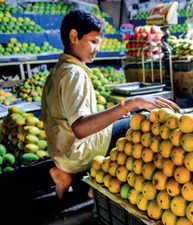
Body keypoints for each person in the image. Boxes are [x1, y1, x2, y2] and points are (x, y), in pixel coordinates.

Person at [41, 10, 180, 199]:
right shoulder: (74, 74)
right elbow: (80, 128)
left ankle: (69, 175)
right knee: (141, 121)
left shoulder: (58, 71)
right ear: (74, 36)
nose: (97, 49)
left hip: (62, 154)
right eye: (93, 41)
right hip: (78, 153)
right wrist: (128, 104)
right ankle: (139, 183)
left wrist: (115, 114)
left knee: (120, 120)